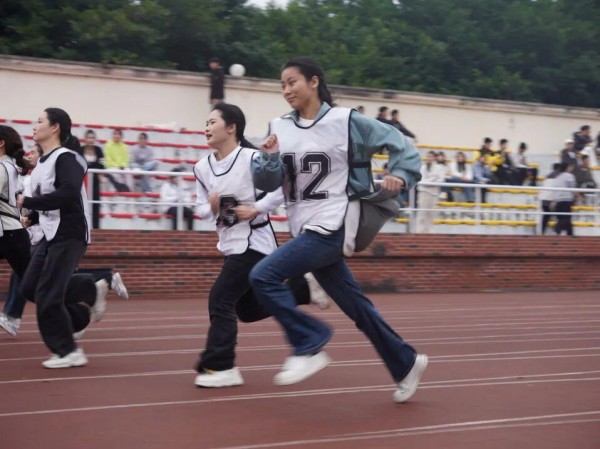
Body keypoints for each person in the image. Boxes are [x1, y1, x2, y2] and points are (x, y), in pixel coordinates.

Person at [249, 56, 427, 403]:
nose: (286, 90)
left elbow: (401, 144)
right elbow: (268, 183)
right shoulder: (278, 127)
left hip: (334, 223)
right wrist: (268, 158)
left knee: (263, 276)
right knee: (357, 307)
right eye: (282, 85)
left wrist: (400, 173)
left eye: (292, 82)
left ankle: (308, 342)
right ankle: (405, 362)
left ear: (314, 82)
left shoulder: (346, 121)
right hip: (305, 229)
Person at [192, 103, 329, 388]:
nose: (206, 127)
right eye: (205, 123)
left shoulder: (252, 158)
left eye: (212, 122)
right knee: (247, 310)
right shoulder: (201, 167)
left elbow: (280, 191)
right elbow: (199, 209)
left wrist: (255, 209)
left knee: (220, 298)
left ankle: (221, 366)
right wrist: (211, 207)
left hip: (255, 242)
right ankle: (301, 288)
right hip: (230, 244)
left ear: (232, 128)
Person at [15, 107, 110, 368]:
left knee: (48, 293)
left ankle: (68, 352)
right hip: (49, 233)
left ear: (55, 127)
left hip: (69, 232)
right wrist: (33, 217)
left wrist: (28, 202)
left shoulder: (67, 158)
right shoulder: (41, 165)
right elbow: (49, 202)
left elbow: (68, 194)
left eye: (40, 121)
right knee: (30, 287)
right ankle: (87, 295)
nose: (34, 126)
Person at [0, 126, 33, 336]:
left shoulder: (3, 167)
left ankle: (78, 307)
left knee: (36, 285)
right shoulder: (10, 166)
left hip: (10, 234)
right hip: (10, 233)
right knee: (34, 284)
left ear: (1, 143)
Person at [82, 129, 104, 228]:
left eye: (92, 138)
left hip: (95, 182)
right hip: (83, 182)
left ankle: (96, 228)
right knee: (82, 205)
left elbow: (102, 165)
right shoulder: (80, 150)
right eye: (88, 137)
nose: (90, 140)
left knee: (95, 206)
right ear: (85, 139)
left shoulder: (99, 150)